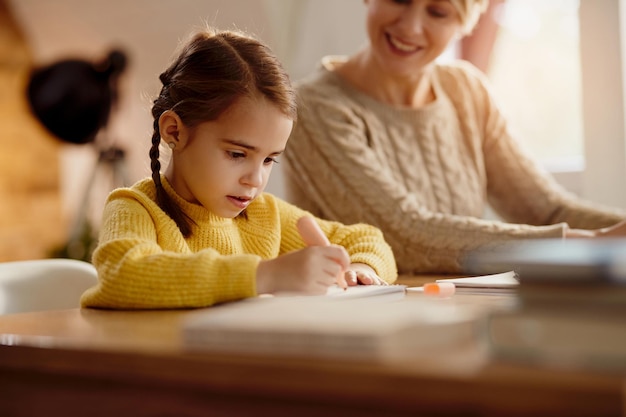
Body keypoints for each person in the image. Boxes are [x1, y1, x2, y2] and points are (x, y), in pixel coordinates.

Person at [283, 0, 626, 274]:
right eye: (399, 0)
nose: (410, 26)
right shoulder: (315, 107)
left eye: (438, 11)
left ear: (464, 23)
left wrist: (613, 231)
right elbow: (405, 235)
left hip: (455, 304)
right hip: (366, 316)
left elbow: (547, 210)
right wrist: (591, 243)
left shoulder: (466, 90)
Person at [80, 28, 397, 310]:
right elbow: (123, 275)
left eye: (269, 159)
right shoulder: (137, 209)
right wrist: (265, 275)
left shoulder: (265, 215)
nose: (255, 180)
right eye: (236, 154)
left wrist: (360, 267)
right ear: (174, 132)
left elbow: (367, 239)